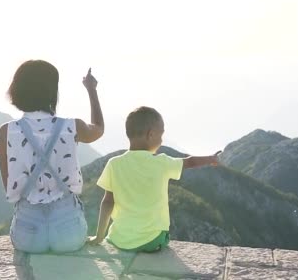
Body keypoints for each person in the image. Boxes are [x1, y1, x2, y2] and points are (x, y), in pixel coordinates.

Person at [0, 61, 104, 253]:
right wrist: (91, 90)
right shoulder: (73, 126)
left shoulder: (6, 131)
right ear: (52, 91)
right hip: (69, 231)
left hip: (27, 233)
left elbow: (9, 186)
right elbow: (98, 129)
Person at [88, 106, 220, 252]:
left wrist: (99, 236)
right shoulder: (162, 162)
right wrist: (211, 159)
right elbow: (190, 162)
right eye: (161, 135)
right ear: (151, 134)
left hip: (120, 240)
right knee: (161, 234)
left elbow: (107, 202)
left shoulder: (114, 164)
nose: (162, 140)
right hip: (152, 241)